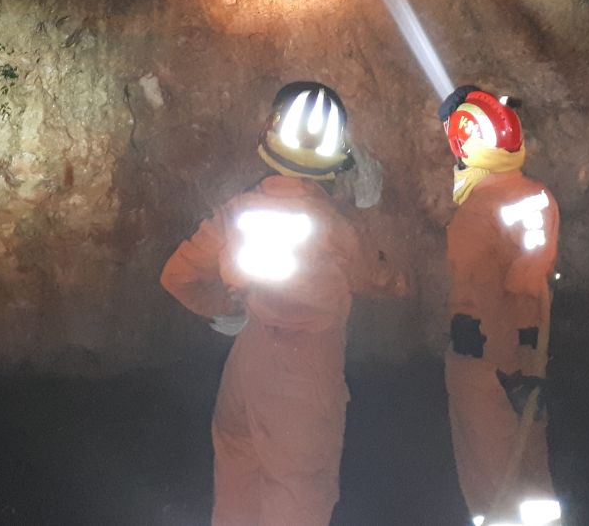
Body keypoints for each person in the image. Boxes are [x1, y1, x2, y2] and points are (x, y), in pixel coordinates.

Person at [160, 81, 408, 526]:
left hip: (247, 368)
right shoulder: (337, 229)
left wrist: (229, 308)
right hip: (303, 384)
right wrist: (372, 207)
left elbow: (177, 276)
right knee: (297, 503)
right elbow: (390, 281)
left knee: (237, 497)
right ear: (336, 158)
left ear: (270, 138)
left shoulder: (236, 212)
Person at [436, 86, 562, 526]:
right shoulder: (540, 197)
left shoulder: (475, 213)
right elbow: (525, 276)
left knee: (492, 488)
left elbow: (469, 286)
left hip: (483, 363)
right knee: (533, 480)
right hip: (530, 358)